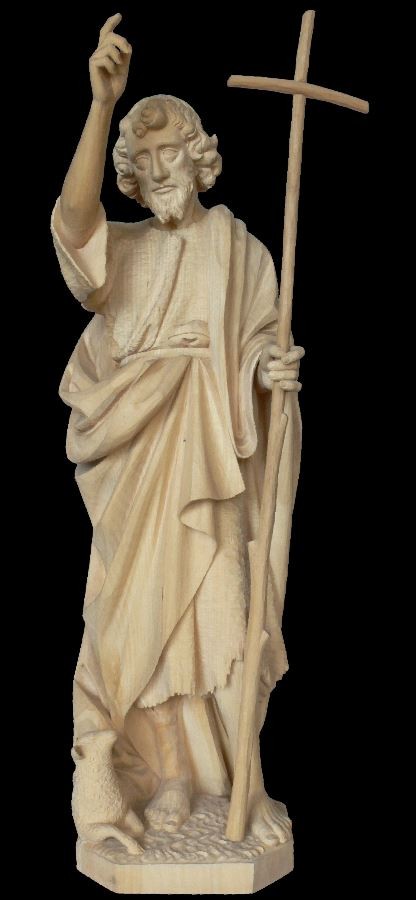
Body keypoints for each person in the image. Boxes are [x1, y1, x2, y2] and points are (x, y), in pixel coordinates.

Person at [52, 13, 304, 849]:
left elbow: (258, 343)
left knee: (223, 616)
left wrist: (266, 375)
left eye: (173, 152)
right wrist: (101, 107)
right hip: (135, 458)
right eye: (145, 156)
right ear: (131, 170)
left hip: (212, 454)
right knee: (140, 628)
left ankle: (239, 783)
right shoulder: (122, 252)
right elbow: (72, 224)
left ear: (200, 159)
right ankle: (168, 780)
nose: (160, 168)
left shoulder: (241, 250)